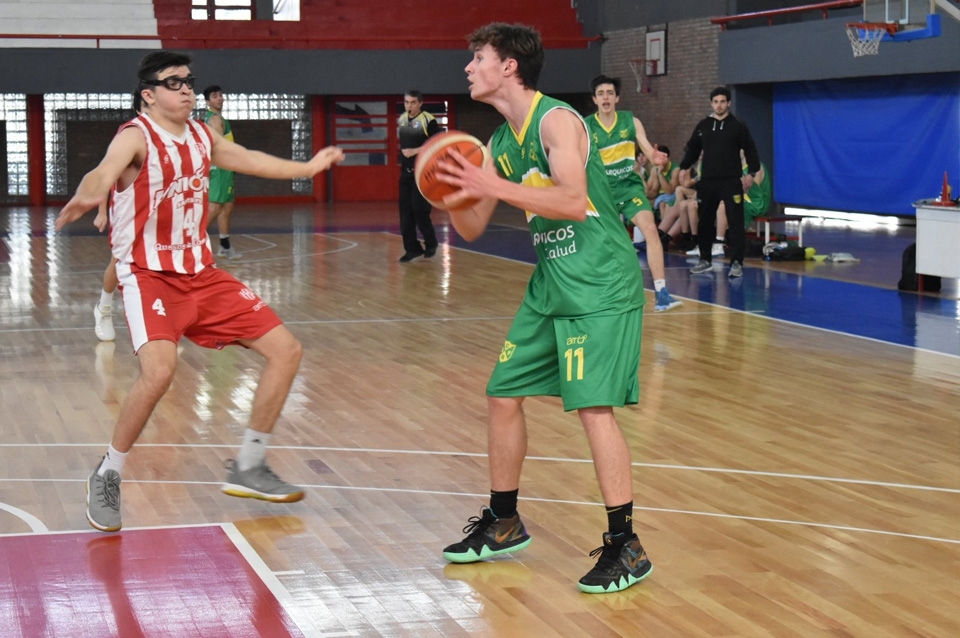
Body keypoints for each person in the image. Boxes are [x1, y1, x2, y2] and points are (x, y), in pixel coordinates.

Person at [55, 51, 344, 533]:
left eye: (189, 81)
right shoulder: (135, 136)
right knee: (159, 372)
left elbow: (249, 159)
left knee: (287, 351)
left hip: (202, 275)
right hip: (149, 276)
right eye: (174, 82)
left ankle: (249, 464)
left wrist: (309, 167)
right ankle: (108, 473)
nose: (187, 88)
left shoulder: (202, 135)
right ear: (149, 95)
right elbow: (104, 171)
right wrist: (91, 190)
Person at [436, 23, 654, 594]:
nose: (469, 67)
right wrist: (450, 190)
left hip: (599, 283)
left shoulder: (556, 120)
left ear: (509, 66)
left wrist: (492, 186)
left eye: (478, 57)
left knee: (594, 409)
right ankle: (504, 521)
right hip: (551, 284)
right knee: (502, 393)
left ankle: (626, 546)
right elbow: (473, 226)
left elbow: (573, 200)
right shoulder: (500, 142)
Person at [586, 75, 680, 313]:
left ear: (617, 98)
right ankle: (599, 292)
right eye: (601, 94)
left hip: (629, 187)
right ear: (594, 99)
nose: (606, 98)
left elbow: (648, 150)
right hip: (602, 191)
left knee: (651, 230)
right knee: (604, 244)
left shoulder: (631, 122)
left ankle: (661, 293)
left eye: (610, 93)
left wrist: (656, 160)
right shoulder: (586, 127)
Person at [679, 86, 760, 279]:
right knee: (705, 222)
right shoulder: (703, 125)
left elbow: (750, 149)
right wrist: (683, 167)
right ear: (711, 103)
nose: (719, 105)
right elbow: (692, 149)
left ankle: (736, 263)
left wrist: (751, 173)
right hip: (708, 182)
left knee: (736, 222)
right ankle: (705, 259)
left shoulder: (738, 125)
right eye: (715, 102)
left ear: (729, 103)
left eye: (722, 101)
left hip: (731, 181)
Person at [397, 89, 440, 263]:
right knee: (405, 214)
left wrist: (415, 151)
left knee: (419, 210)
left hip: (423, 174)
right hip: (405, 174)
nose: (409, 106)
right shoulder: (402, 119)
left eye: (413, 102)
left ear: (420, 103)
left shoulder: (429, 120)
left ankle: (431, 244)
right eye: (406, 102)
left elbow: (437, 144)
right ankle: (412, 249)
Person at [202, 85, 239, 259]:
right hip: (221, 168)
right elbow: (218, 146)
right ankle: (192, 244)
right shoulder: (215, 119)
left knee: (227, 206)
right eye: (215, 96)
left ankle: (225, 246)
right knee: (216, 206)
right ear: (208, 101)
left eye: (220, 95)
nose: (219, 98)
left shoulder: (218, 117)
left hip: (226, 167)